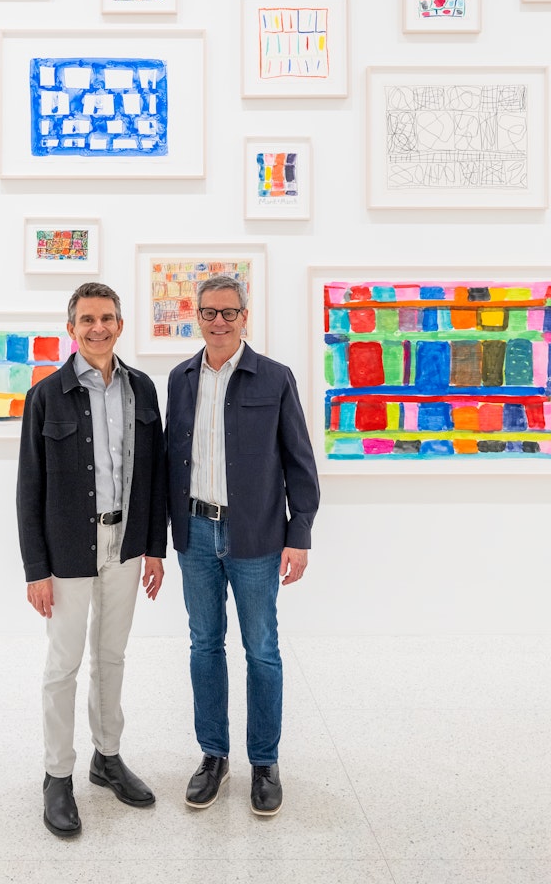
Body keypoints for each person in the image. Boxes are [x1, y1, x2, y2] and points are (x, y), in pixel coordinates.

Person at [165, 273, 319, 817]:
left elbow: (300, 461)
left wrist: (299, 533)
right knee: (204, 647)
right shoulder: (180, 379)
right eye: (209, 312)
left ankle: (264, 763)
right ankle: (213, 756)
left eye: (229, 312)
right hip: (195, 534)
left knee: (262, 651)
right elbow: (170, 460)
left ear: (244, 317)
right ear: (197, 317)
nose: (219, 321)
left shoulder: (275, 378)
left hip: (256, 536)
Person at [17, 282, 167, 838]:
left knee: (111, 656)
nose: (97, 328)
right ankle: (58, 775)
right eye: (87, 319)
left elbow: (154, 475)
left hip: (125, 545)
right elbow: (28, 488)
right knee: (63, 665)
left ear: (120, 326)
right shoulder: (46, 395)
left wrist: (155, 548)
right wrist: (36, 570)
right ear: (71, 328)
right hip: (67, 551)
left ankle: (108, 757)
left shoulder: (142, 389)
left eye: (106, 318)